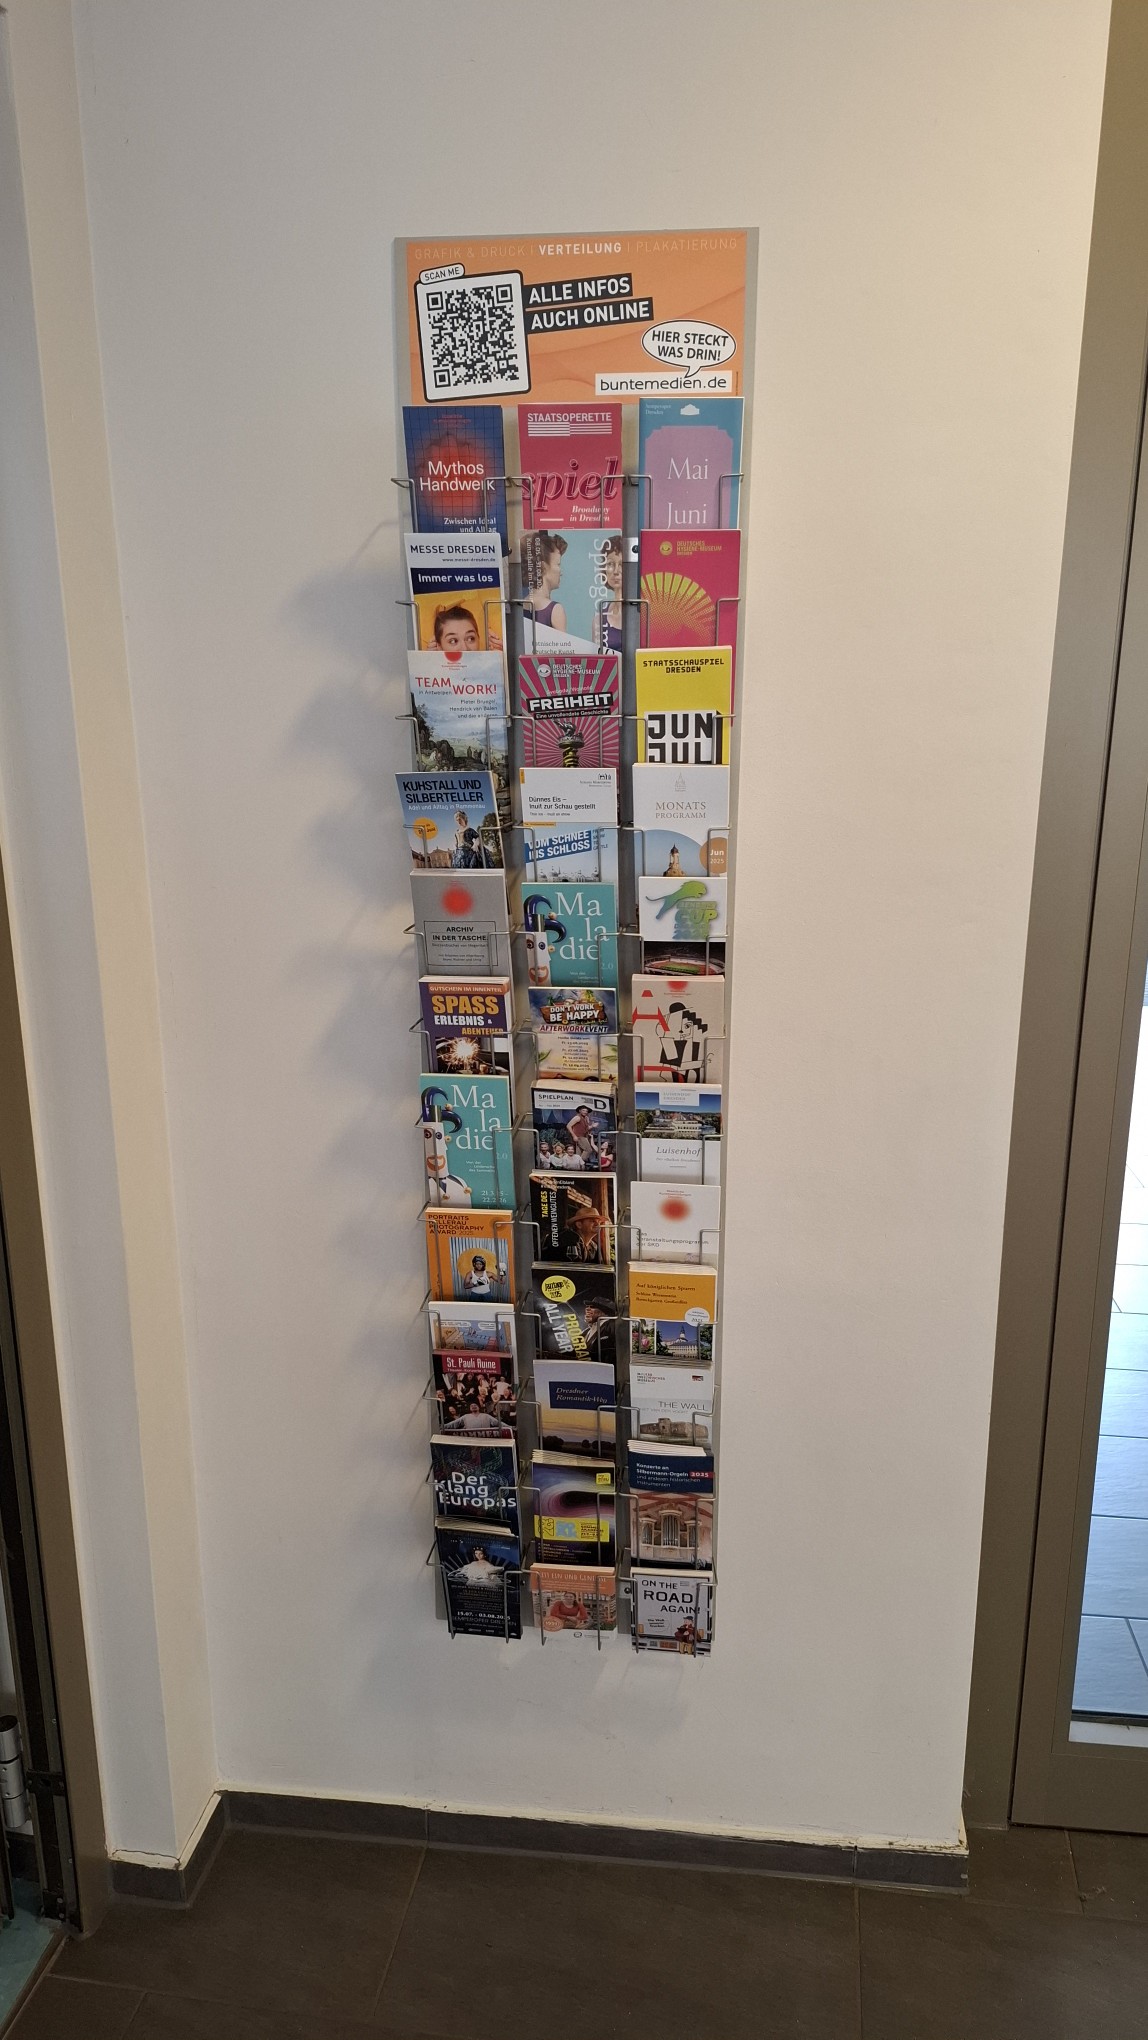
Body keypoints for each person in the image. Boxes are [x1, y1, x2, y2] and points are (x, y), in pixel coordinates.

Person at [522, 532, 568, 632]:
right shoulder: (555, 610)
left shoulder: (520, 606)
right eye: (558, 564)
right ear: (543, 567)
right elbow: (561, 643)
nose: (561, 572)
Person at [599, 534, 624, 654]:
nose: (616, 571)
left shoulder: (642, 613)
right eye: (610, 564)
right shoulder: (599, 618)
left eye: (622, 564)